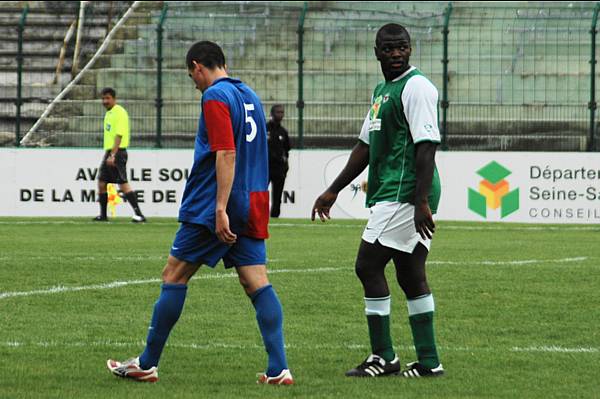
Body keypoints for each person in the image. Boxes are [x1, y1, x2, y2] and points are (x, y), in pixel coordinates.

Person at [106, 41, 293, 385]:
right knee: (256, 281)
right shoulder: (249, 95)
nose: (193, 82)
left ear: (197, 66)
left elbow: (226, 154)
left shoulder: (215, 97)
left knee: (173, 275)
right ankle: (278, 368)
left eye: (191, 74)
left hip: (214, 203)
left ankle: (146, 363)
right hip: (251, 200)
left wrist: (220, 208)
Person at [311, 23, 444, 378]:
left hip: (404, 192)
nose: (396, 53)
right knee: (410, 273)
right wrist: (334, 189)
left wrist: (419, 202)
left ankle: (384, 356)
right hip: (395, 190)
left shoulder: (417, 87)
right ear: (377, 52)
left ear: (411, 49)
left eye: (402, 47)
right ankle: (430, 363)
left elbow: (426, 145)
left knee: (367, 266)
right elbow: (365, 146)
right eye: (389, 48)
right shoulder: (383, 90)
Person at [93, 87, 146, 223]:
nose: (105, 101)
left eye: (108, 98)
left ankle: (139, 214)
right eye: (103, 98)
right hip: (110, 152)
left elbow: (119, 134)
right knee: (102, 182)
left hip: (117, 152)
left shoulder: (119, 112)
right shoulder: (109, 113)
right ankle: (103, 215)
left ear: (114, 99)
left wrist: (113, 154)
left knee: (123, 183)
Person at [267, 104, 291, 218]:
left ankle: (275, 217)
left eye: (282, 112)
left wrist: (286, 165)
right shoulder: (264, 129)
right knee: (260, 193)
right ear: (272, 113)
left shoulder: (283, 132)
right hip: (265, 168)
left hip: (279, 169)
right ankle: (259, 217)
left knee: (277, 196)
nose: (280, 114)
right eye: (278, 112)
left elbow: (287, 150)